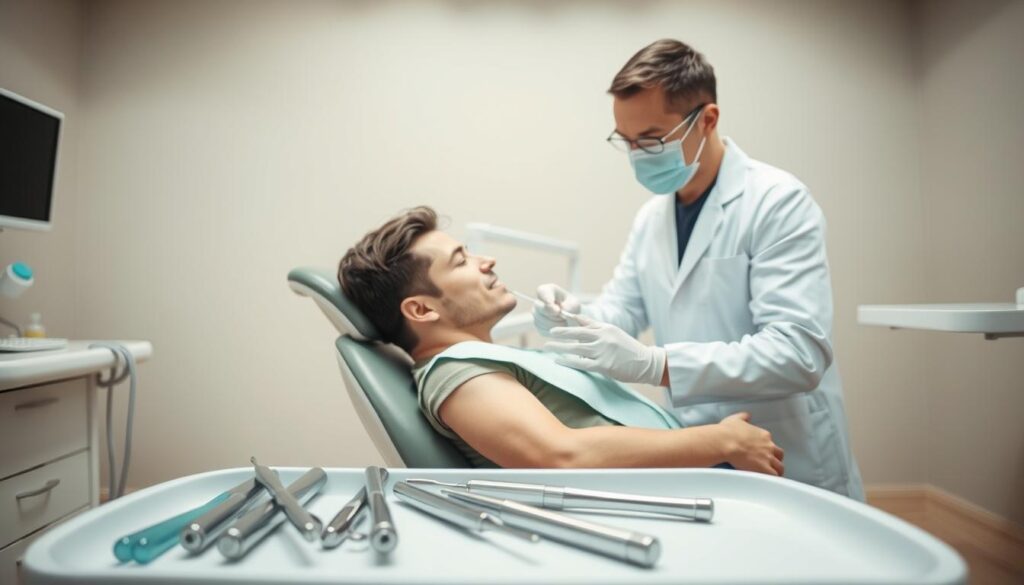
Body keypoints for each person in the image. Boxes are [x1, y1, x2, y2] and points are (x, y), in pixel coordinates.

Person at [535, 39, 863, 499]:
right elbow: (623, 310)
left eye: (650, 139)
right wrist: (571, 315)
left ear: (707, 119)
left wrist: (656, 364)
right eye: (626, 141)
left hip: (787, 450)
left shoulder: (776, 201)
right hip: (699, 448)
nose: (636, 155)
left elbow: (798, 352)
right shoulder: (652, 218)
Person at [338, 206, 783, 475]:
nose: (486, 260)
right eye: (462, 261)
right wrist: (721, 442)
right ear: (420, 310)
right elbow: (560, 455)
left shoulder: (480, 358)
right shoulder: (457, 372)